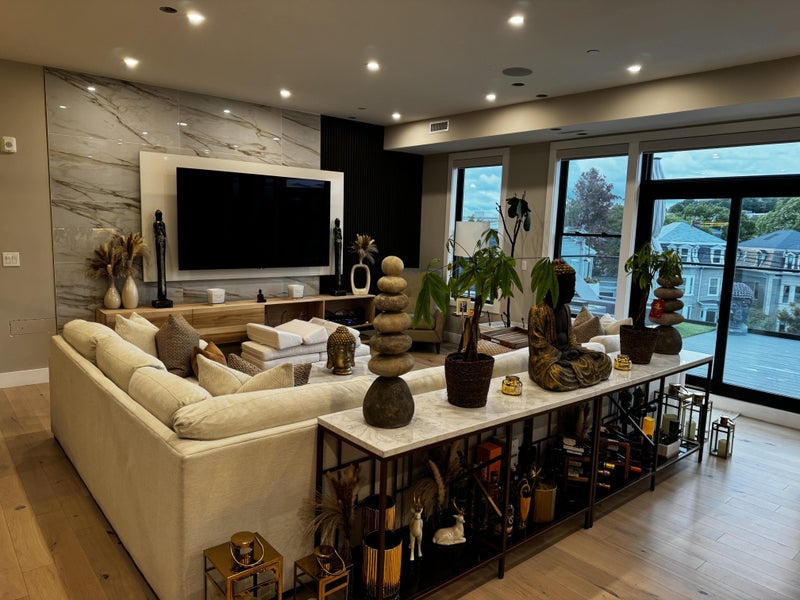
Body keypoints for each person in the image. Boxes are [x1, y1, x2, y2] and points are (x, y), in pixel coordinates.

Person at [528, 259, 611, 391]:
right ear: (552, 287)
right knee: (557, 374)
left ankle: (576, 373)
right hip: (548, 361)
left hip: (568, 356)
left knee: (604, 361)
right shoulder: (538, 310)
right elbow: (538, 344)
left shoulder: (566, 309)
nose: (572, 291)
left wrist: (576, 350)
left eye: (573, 286)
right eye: (567, 286)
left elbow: (571, 337)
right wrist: (559, 355)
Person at [152, 209, 173, 308]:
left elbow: (164, 233)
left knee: (163, 264)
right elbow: (156, 232)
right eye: (158, 215)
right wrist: (158, 228)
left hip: (162, 242)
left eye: (160, 215)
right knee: (160, 265)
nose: (159, 216)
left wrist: (161, 228)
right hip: (158, 242)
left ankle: (163, 295)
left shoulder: (162, 224)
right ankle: (161, 295)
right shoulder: (155, 224)